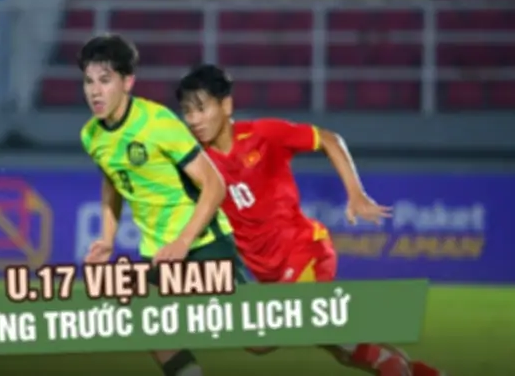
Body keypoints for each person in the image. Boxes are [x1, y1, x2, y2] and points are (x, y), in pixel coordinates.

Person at [175, 64, 444, 376]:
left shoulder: (263, 134)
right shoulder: (196, 161)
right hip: (269, 272)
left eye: (201, 109)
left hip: (304, 251)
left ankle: (393, 366)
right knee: (342, 349)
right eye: (187, 111)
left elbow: (329, 139)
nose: (193, 120)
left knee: (264, 339)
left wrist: (356, 193)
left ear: (226, 105)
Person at [79, 35, 247, 376]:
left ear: (128, 82)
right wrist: (108, 238)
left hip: (203, 243)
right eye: (88, 81)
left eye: (105, 80)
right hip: (159, 252)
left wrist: (183, 242)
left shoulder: (158, 123)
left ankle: (328, 326)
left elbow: (214, 185)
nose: (95, 91)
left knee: (259, 337)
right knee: (151, 324)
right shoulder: (91, 136)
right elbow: (113, 180)